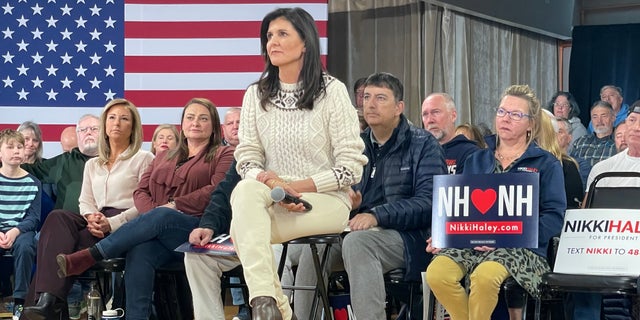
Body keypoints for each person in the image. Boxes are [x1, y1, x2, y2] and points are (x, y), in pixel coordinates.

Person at [226, 7, 367, 320]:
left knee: (243, 225)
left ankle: (276, 310)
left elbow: (350, 168)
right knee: (246, 191)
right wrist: (274, 184)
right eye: (269, 36)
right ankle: (266, 304)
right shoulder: (255, 94)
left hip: (326, 200)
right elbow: (246, 158)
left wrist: (294, 187)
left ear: (306, 43)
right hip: (274, 197)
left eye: (282, 34)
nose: (272, 42)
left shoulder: (333, 92)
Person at [56, 98, 234, 320]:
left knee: (163, 215)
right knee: (141, 251)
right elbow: (140, 191)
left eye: (203, 118)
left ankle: (91, 255)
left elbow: (214, 191)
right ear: (182, 124)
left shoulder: (224, 154)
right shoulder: (163, 155)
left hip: (197, 229)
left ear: (214, 126)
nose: (195, 122)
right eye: (190, 117)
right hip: (159, 231)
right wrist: (156, 214)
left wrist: (174, 206)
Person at [425, 84, 566, 320]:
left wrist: (506, 237)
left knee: (485, 277)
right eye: (501, 112)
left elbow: (554, 216)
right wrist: (444, 235)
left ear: (531, 123)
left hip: (520, 248)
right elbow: (459, 208)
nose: (505, 119)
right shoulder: (476, 158)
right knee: (437, 274)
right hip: (472, 243)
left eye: (515, 114)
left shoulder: (546, 163)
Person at [21, 99, 154, 320]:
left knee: (61, 248)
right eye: (111, 118)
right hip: (94, 218)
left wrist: (111, 223)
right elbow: (85, 200)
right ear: (105, 124)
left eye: (124, 118)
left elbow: (144, 205)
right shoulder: (94, 163)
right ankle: (48, 301)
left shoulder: (144, 159)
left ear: (133, 126)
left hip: (126, 225)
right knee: (58, 217)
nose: (116, 123)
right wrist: (91, 216)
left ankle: (45, 304)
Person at [339, 72, 446, 319]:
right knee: (309, 250)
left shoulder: (423, 144)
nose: (370, 104)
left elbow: (430, 203)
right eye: (366, 97)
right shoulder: (356, 145)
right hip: (359, 230)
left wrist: (376, 215)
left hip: (411, 238)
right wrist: (352, 207)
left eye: (380, 98)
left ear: (399, 107)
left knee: (358, 244)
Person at [570, 102, 640, 320]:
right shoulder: (603, 169)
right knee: (578, 270)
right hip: (605, 248)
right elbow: (585, 218)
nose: (637, 128)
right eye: (632, 120)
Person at [0, 129, 41, 320]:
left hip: (21, 230)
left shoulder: (33, 183)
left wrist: (16, 231)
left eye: (20, 147)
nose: (16, 151)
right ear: (0, 153)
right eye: (10, 147)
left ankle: (20, 301)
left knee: (26, 247)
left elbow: (33, 218)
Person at [22, 114, 100, 213]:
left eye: (94, 129)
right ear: (78, 136)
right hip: (65, 222)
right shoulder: (65, 160)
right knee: (56, 217)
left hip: (104, 221)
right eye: (83, 130)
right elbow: (31, 170)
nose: (88, 132)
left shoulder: (115, 160)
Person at [422, 93, 479, 174]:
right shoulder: (418, 154)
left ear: (453, 116)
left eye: (436, 112)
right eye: (425, 114)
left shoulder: (471, 154)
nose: (429, 120)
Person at [570, 100, 617, 168]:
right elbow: (571, 168)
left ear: (613, 118)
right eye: (595, 117)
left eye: (604, 116)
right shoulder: (580, 142)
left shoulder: (620, 142)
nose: (599, 121)